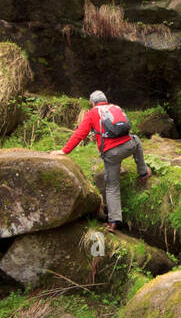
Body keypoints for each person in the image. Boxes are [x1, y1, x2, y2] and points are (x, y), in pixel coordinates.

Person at [60, 90, 150, 231]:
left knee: (112, 186)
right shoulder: (115, 107)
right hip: (129, 146)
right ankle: (143, 173)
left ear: (92, 103)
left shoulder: (92, 113)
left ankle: (113, 222)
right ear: (105, 100)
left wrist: (64, 151)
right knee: (137, 140)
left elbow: (80, 134)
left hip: (111, 154)